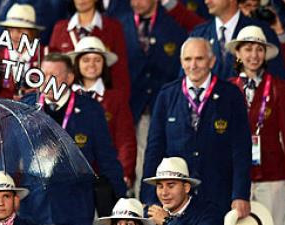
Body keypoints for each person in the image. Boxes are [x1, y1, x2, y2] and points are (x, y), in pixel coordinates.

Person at [144, 37, 253, 219]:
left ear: (212, 61)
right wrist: (148, 197)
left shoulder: (231, 95)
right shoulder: (166, 95)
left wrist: (240, 194)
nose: (193, 65)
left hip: (218, 194)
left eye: (199, 59)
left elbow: (241, 149)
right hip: (176, 199)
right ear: (181, 62)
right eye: (188, 59)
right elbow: (154, 149)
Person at [21, 53, 129, 225]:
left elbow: (106, 159)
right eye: (43, 75)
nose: (47, 81)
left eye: (54, 76)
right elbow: (11, 154)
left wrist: (123, 200)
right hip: (33, 205)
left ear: (70, 78)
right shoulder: (25, 107)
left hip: (75, 205)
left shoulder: (90, 110)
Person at [224, 25, 285, 225]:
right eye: (248, 49)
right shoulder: (227, 89)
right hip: (235, 177)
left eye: (259, 49)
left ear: (265, 54)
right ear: (238, 53)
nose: (254, 55)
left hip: (272, 176)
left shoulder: (278, 87)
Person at [121, 0, 190, 197]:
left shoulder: (173, 24)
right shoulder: (120, 24)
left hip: (167, 108)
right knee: (132, 161)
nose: (136, 2)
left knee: (162, 160)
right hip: (131, 107)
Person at [68, 36, 139, 186]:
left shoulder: (116, 98)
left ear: (104, 64)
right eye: (86, 60)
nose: (92, 65)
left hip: (105, 178)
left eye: (97, 60)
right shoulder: (65, 97)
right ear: (77, 63)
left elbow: (125, 140)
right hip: (70, 178)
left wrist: (124, 173)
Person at [48, 0, 134, 95]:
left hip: (103, 99)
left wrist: (119, 102)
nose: (81, 1)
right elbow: (53, 69)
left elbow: (120, 72)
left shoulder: (113, 27)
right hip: (66, 98)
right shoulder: (60, 28)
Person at [187, 0, 285, 81]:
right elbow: (186, 80)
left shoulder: (261, 32)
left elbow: (276, 79)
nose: (207, 1)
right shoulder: (198, 35)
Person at [143, 157, 224, 225]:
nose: (164, 193)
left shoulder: (208, 213)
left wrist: (167, 221)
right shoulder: (150, 214)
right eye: (160, 187)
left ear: (186, 188)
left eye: (171, 186)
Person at [0, 4, 47, 99]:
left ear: (32, 33)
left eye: (20, 31)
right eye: (10, 30)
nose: (14, 36)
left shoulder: (45, 54)